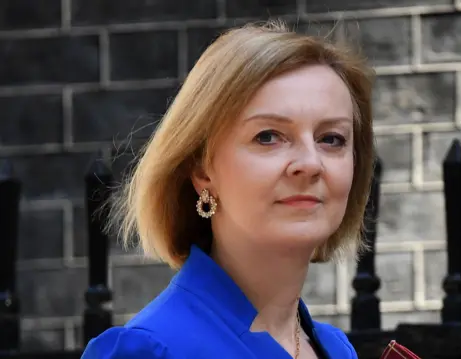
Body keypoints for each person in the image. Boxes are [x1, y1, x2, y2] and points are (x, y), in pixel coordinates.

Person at [80, 19, 375, 359]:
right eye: (268, 136)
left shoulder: (337, 349)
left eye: (331, 139)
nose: (310, 163)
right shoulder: (148, 351)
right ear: (202, 170)